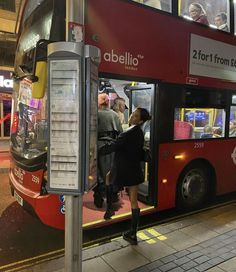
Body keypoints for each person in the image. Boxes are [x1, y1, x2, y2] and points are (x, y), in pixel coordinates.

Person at [99, 107, 151, 245]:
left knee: (109, 178)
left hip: (122, 168)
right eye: (132, 115)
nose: (131, 117)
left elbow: (114, 145)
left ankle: (109, 209)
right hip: (134, 170)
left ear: (140, 120)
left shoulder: (128, 133)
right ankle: (133, 233)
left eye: (134, 116)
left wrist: (99, 150)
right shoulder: (139, 132)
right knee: (134, 201)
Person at [93, 93, 123, 208]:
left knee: (98, 172)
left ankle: (99, 195)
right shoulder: (114, 115)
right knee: (111, 171)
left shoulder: (95, 114)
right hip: (112, 147)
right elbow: (120, 132)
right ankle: (113, 195)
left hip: (98, 147)